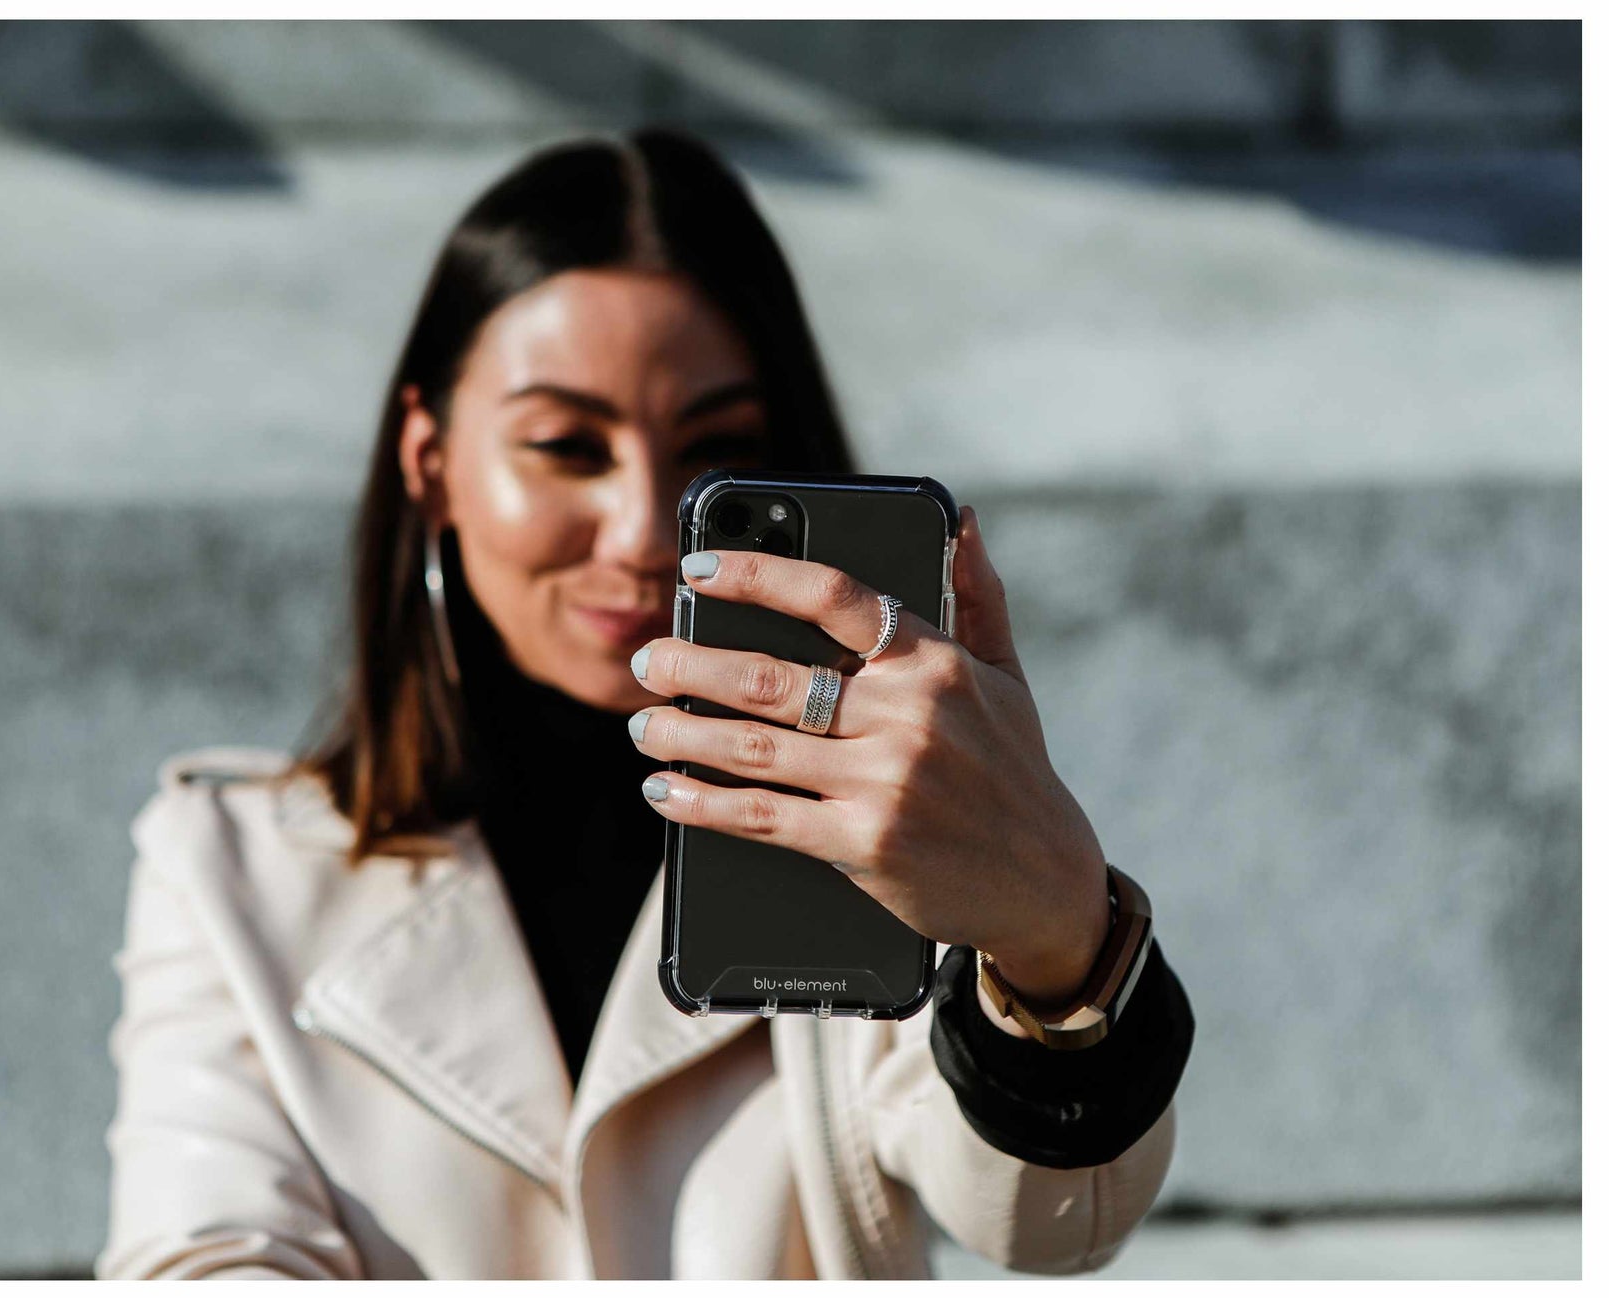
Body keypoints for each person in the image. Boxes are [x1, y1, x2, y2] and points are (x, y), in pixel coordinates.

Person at [95, 128, 1194, 1281]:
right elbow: (202, 1255)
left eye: (713, 451)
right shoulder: (231, 866)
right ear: (431, 463)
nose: (640, 532)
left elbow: (1052, 1220)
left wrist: (1055, 942)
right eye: (565, 446)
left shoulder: (887, 827)